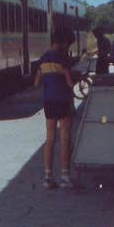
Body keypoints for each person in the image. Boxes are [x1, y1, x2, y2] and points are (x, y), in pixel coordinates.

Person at [33, 27, 76, 189]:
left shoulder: (43, 59)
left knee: (50, 139)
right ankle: (65, 177)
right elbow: (70, 83)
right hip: (63, 100)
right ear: (63, 42)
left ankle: (47, 177)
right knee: (65, 138)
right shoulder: (63, 58)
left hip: (49, 101)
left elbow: (36, 83)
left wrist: (50, 79)